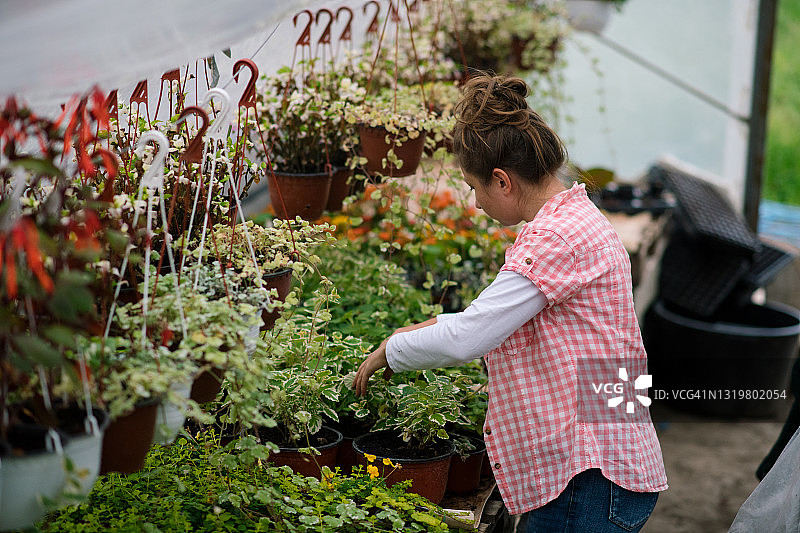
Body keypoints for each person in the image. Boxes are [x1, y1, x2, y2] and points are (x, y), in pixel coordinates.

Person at [353, 73, 668, 532]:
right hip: (605, 455)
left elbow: (471, 337)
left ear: (502, 181)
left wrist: (391, 352)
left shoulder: (556, 237)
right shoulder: (575, 218)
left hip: (591, 475)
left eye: (474, 187)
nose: (475, 202)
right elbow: (496, 317)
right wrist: (426, 328)